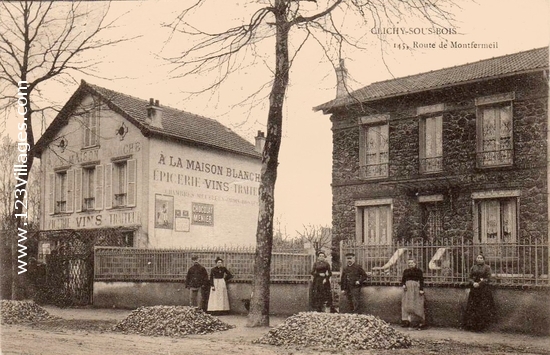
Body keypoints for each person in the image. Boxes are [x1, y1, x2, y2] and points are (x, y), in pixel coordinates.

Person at [463, 253, 496, 332]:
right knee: (473, 307)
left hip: (483, 290)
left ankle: (481, 327)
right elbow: (469, 277)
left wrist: (480, 283)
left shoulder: (487, 267)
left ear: (484, 259)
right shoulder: (473, 267)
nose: (479, 259)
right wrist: (473, 283)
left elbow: (488, 278)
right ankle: (472, 327)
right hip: (474, 290)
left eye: (481, 258)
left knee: (482, 308)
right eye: (478, 257)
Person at [401, 258, 426, 329]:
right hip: (407, 289)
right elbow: (403, 280)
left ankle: (419, 321)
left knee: (416, 304)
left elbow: (421, 280)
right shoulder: (406, 271)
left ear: (415, 263)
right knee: (406, 304)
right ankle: (407, 321)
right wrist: (403, 285)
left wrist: (421, 289)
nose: (410, 264)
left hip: (415, 289)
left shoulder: (418, 271)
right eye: (409, 263)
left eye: (412, 263)